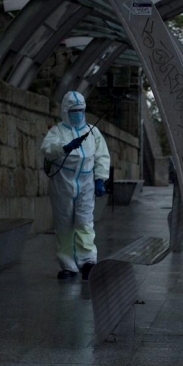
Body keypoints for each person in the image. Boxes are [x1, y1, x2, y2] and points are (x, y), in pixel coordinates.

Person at [41, 91, 110, 280]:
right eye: (74, 110)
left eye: (81, 110)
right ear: (66, 111)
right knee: (64, 224)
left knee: (85, 222)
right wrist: (64, 147)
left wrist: (100, 179)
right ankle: (68, 266)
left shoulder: (92, 132)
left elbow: (102, 156)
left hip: (86, 184)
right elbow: (47, 149)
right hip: (62, 184)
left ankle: (88, 262)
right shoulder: (57, 131)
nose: (78, 114)